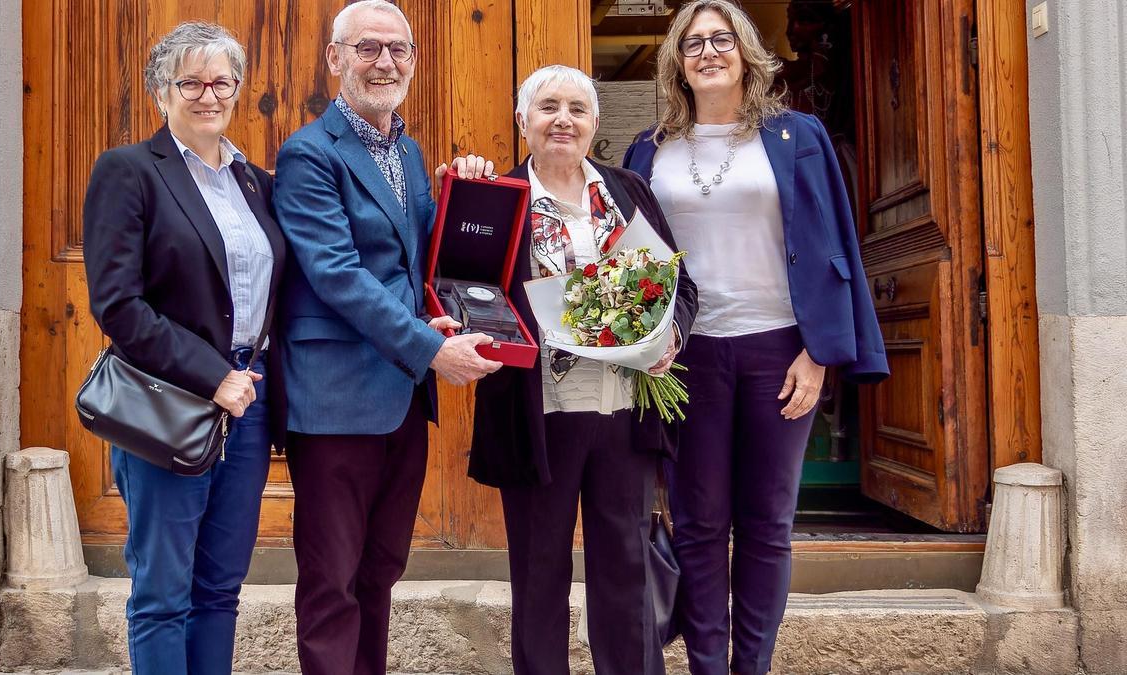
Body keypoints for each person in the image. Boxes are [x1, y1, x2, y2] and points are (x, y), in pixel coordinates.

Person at [622, 2, 889, 674]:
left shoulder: (798, 137)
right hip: (687, 356)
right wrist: (638, 348)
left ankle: (754, 666)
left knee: (768, 524)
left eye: (721, 39)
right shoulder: (649, 149)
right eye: (693, 43)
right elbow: (631, 260)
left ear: (746, 53)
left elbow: (835, 246)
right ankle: (709, 665)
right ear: (677, 62)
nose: (707, 51)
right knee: (701, 522)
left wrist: (820, 353)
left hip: (778, 351)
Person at [272, 2, 498, 673]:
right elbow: (338, 275)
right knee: (332, 580)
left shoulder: (407, 150)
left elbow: (421, 262)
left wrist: (467, 190)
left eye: (398, 49)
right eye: (368, 48)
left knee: (380, 571)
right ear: (335, 58)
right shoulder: (309, 153)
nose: (385, 62)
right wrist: (432, 349)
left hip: (401, 397)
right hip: (337, 398)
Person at [466, 65, 699, 675]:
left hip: (624, 412)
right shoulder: (498, 199)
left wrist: (671, 333)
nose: (563, 119)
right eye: (548, 107)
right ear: (523, 122)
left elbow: (679, 284)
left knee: (625, 567)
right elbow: (466, 289)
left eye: (577, 108)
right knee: (539, 573)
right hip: (538, 412)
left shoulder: (628, 190)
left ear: (595, 123)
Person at [82, 21, 287, 675]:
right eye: (190, 81)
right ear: (161, 92)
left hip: (246, 412)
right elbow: (117, 304)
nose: (208, 94)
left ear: (236, 90)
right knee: (163, 595)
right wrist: (212, 375)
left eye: (221, 80)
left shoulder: (257, 182)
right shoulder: (130, 172)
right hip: (167, 404)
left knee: (219, 590)